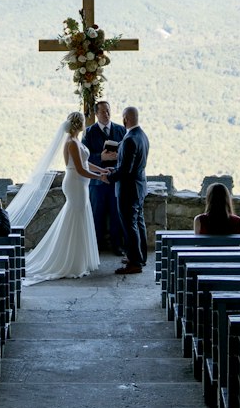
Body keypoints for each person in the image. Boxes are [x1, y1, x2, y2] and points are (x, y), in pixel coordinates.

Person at [23, 111, 109, 283]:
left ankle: (80, 258)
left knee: (80, 216)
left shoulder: (76, 141)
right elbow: (80, 169)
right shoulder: (71, 143)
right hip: (75, 183)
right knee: (75, 217)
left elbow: (86, 162)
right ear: (79, 124)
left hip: (80, 184)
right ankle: (71, 261)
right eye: (83, 121)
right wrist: (99, 177)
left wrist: (100, 169)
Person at [84, 99, 126, 254]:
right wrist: (101, 158)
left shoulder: (121, 130)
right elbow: (84, 158)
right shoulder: (89, 132)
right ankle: (96, 247)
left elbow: (127, 153)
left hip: (116, 180)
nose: (106, 114)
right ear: (96, 113)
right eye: (102, 111)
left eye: (108, 111)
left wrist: (117, 156)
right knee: (97, 215)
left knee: (117, 214)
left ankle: (117, 245)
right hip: (97, 183)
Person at [113, 105, 150, 275]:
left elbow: (125, 170)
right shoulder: (142, 135)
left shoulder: (129, 139)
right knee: (138, 223)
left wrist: (109, 176)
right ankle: (139, 256)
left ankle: (134, 262)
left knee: (130, 226)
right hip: (139, 187)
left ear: (125, 119)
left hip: (128, 189)